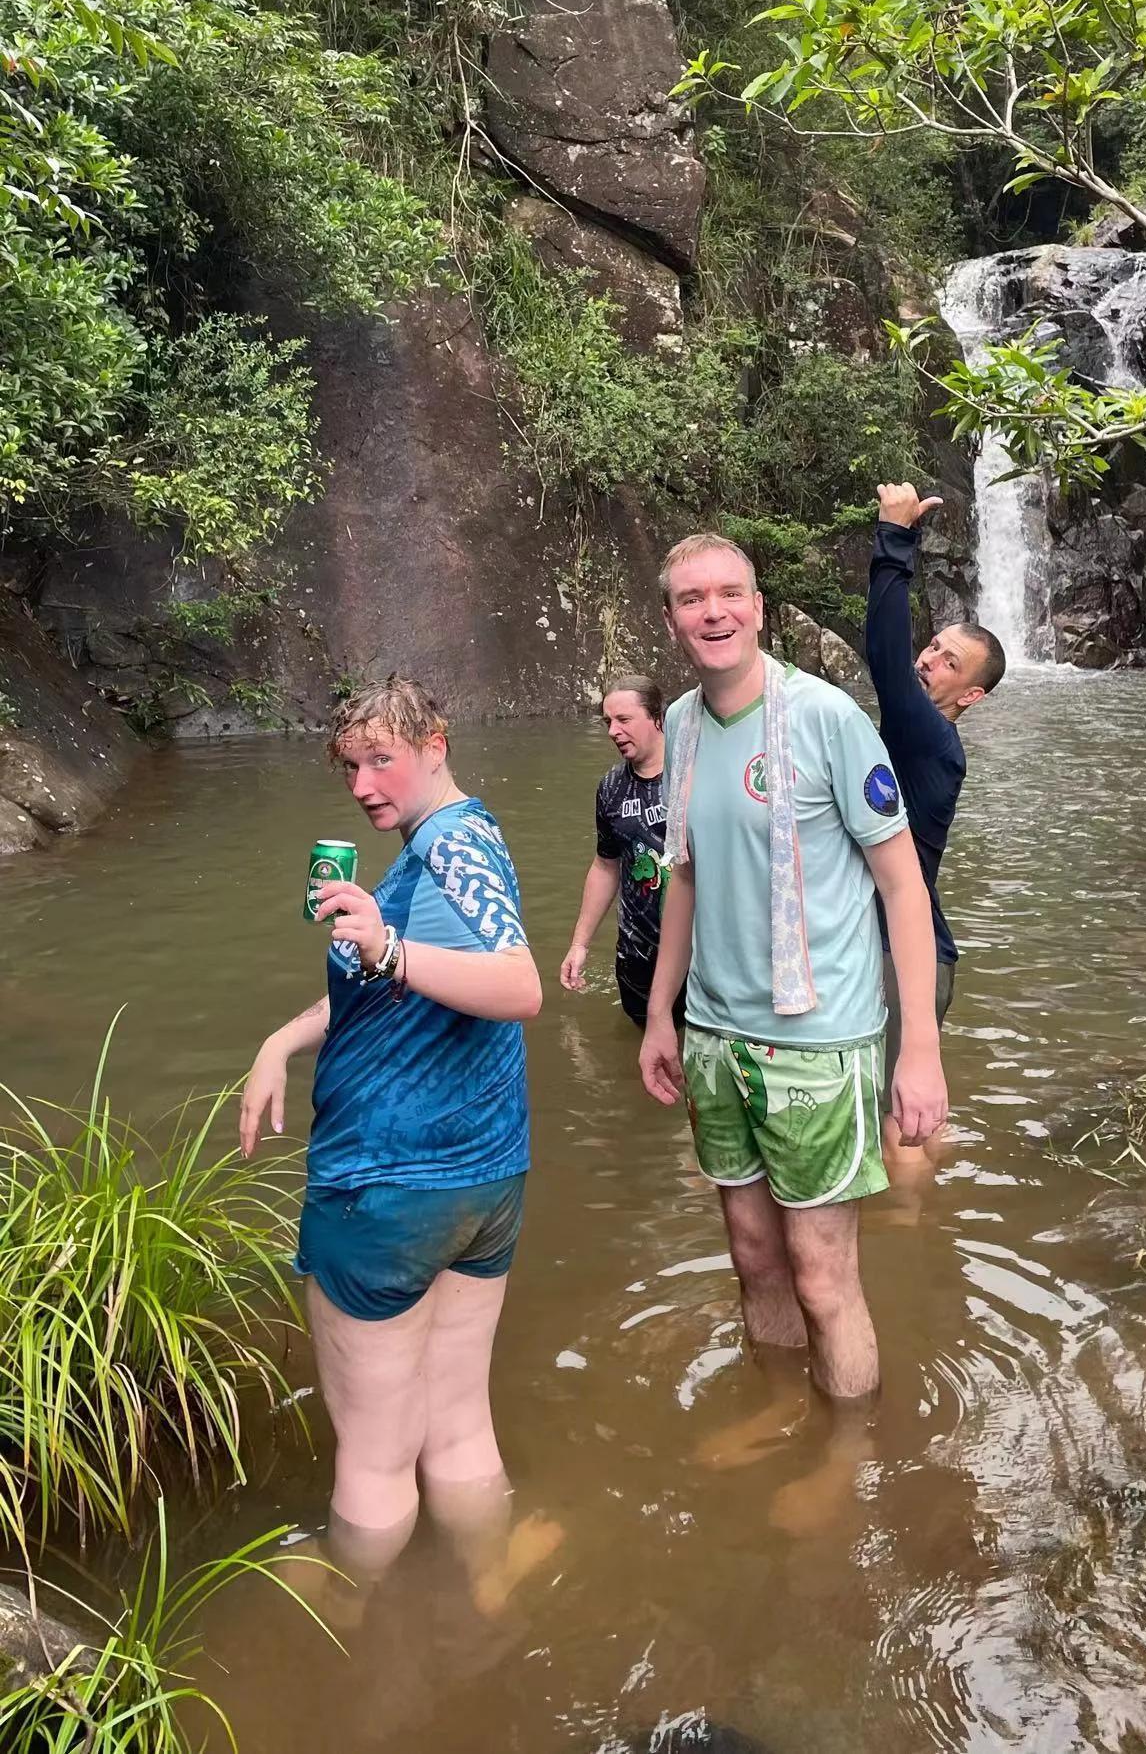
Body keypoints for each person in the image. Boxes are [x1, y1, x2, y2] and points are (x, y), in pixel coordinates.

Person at [238, 675, 545, 1587]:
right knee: (456, 1426)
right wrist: (282, 1038)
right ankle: (490, 1589)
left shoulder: (450, 848)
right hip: (482, 1180)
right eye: (352, 766)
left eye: (384, 759)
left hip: (385, 1182)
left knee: (373, 1458)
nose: (366, 783)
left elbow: (519, 986)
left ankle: (353, 1634)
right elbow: (389, 996)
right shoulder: (456, 840)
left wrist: (385, 947)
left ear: (435, 742)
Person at [638, 533, 946, 1401]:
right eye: (692, 598)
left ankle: (845, 1462)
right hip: (716, 1034)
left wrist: (917, 1050)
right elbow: (684, 878)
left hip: (819, 1039)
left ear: (759, 607)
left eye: (730, 593)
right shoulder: (680, 726)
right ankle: (777, 1418)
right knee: (752, 1257)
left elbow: (903, 889)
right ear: (670, 619)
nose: (713, 611)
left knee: (821, 1275)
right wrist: (662, 1014)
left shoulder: (826, 718)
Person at [866, 483, 1004, 1151]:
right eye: (933, 644)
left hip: (904, 953)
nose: (928, 658)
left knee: (898, 1123)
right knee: (898, 1112)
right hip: (894, 943)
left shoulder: (928, 737)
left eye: (949, 661)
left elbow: (888, 667)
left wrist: (894, 540)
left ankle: (914, 1231)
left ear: (970, 694)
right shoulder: (922, 736)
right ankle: (920, 1228)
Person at [559, 674, 685, 1029]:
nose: (613, 731)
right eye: (608, 722)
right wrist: (580, 944)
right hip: (638, 951)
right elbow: (605, 866)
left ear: (658, 718)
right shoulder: (611, 788)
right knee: (644, 1052)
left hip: (702, 950)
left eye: (624, 720)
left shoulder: (694, 773)